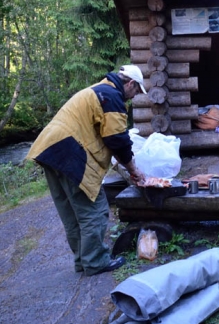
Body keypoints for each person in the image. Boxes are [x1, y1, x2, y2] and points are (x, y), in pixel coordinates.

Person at [28, 65, 147, 276]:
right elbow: (117, 140)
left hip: (47, 148)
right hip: (69, 151)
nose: (134, 97)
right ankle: (96, 262)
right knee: (95, 210)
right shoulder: (112, 97)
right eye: (136, 91)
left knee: (72, 212)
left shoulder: (98, 90)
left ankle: (83, 260)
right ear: (131, 83)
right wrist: (134, 171)